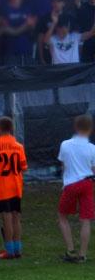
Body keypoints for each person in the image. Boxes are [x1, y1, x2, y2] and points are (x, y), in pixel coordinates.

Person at [0, 116, 27, 260]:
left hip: (3, 188)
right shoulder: (19, 146)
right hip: (16, 186)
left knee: (7, 219)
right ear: (12, 128)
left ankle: (9, 250)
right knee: (16, 218)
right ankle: (17, 249)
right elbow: (23, 167)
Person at [57, 113, 95, 263]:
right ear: (90, 129)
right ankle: (83, 254)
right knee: (85, 219)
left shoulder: (65, 145)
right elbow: (93, 169)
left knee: (62, 215)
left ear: (75, 127)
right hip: (87, 183)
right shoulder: (92, 148)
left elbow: (64, 165)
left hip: (71, 184)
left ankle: (70, 250)